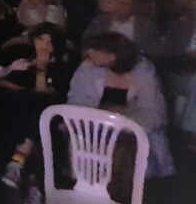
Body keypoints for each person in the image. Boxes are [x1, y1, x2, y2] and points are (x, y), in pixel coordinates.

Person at [0, 23, 74, 204]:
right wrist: (16, 78)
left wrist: (42, 70)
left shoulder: (62, 68)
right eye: (40, 39)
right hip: (23, 121)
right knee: (29, 108)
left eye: (50, 42)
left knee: (41, 112)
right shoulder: (23, 63)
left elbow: (47, 95)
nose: (44, 45)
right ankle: (32, 183)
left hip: (51, 119)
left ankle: (19, 162)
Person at [67, 32, 175, 179]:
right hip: (94, 131)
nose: (88, 55)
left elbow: (154, 114)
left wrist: (121, 119)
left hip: (132, 134)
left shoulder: (145, 71)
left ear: (111, 55)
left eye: (93, 52)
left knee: (124, 151)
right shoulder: (87, 69)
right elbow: (76, 103)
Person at [83, 0, 158, 53]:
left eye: (125, 4)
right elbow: (87, 42)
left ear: (134, 6)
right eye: (118, 3)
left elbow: (150, 49)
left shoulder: (146, 24)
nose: (120, 6)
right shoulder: (99, 21)